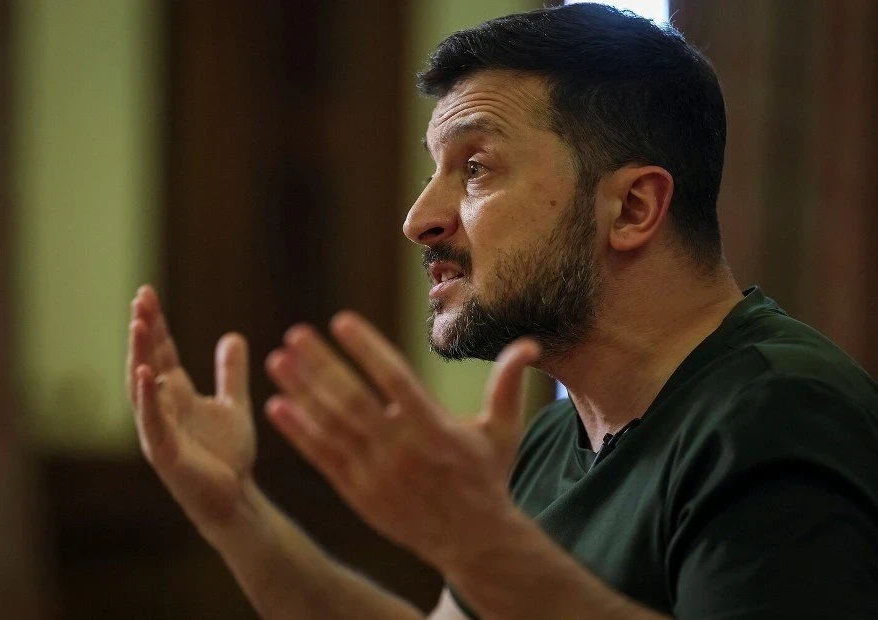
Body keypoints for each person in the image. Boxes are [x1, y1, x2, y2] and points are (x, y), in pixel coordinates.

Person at [125, 4, 878, 619]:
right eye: (436, 170)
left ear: (632, 208)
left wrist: (485, 550)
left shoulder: (779, 413)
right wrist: (236, 515)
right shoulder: (552, 439)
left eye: (476, 168)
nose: (419, 219)